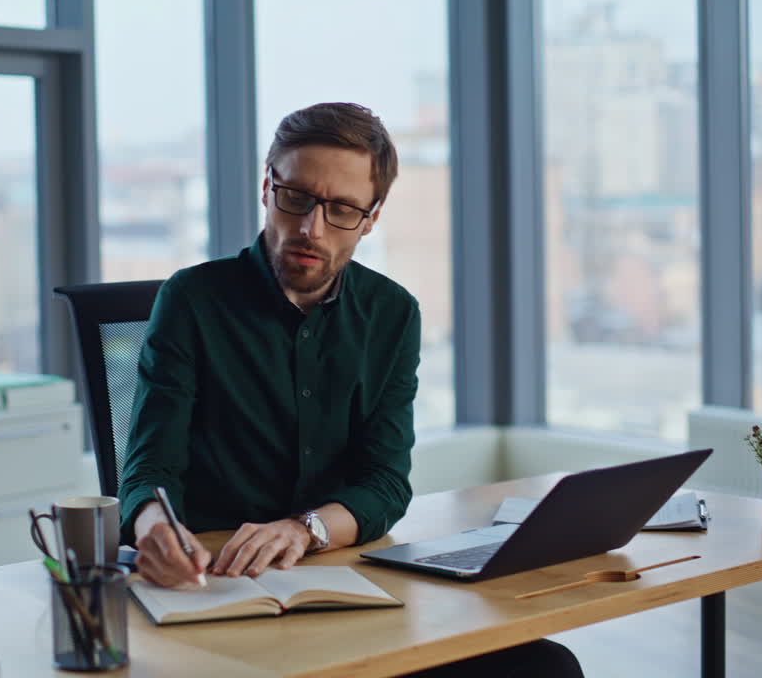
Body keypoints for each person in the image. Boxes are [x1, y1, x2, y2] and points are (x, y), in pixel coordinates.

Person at [117, 102, 583, 678]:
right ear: (268, 188)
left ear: (371, 217)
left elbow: (385, 482)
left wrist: (304, 528)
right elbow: (147, 470)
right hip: (216, 593)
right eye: (296, 198)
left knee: (545, 667)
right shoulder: (190, 300)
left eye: (341, 209)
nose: (311, 228)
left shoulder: (392, 314)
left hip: (348, 589)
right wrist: (155, 531)